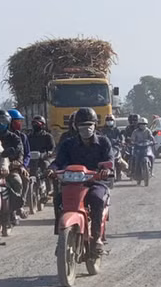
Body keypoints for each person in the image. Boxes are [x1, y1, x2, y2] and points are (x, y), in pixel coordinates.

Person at [49, 107, 113, 254]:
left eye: (89, 125)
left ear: (95, 125)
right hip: (71, 183)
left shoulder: (104, 142)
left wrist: (106, 170)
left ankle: (96, 238)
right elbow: (58, 162)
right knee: (58, 199)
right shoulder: (67, 144)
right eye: (82, 125)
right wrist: (51, 169)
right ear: (76, 126)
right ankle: (61, 237)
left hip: (96, 182)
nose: (86, 128)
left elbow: (109, 160)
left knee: (96, 199)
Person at [0, 109, 26, 221]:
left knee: (17, 181)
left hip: (11, 169)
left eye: (3, 121)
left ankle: (16, 207)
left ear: (8, 122)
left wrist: (16, 163)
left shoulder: (14, 138)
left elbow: (20, 152)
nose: (0, 124)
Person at [7, 109, 32, 212]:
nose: (19, 123)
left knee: (25, 179)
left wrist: (22, 165)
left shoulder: (22, 137)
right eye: (17, 121)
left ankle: (20, 203)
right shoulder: (0, 136)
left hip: (18, 167)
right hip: (2, 167)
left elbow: (27, 154)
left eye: (20, 121)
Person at [28, 115, 56, 194]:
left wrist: (47, 153)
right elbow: (25, 148)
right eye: (34, 123)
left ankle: (49, 188)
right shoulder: (29, 137)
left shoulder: (48, 136)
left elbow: (52, 148)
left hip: (44, 158)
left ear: (43, 125)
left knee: (46, 166)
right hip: (32, 160)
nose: (36, 125)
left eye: (38, 123)